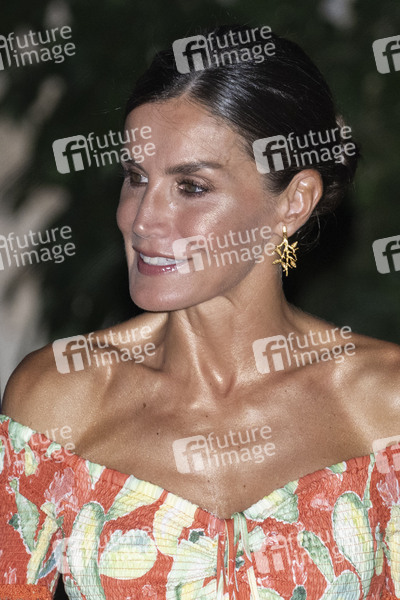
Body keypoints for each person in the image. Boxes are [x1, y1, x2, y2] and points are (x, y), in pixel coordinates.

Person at [1, 24, 399, 600]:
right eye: (136, 178)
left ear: (293, 203)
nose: (142, 220)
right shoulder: (60, 397)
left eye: (190, 187)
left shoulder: (383, 401)